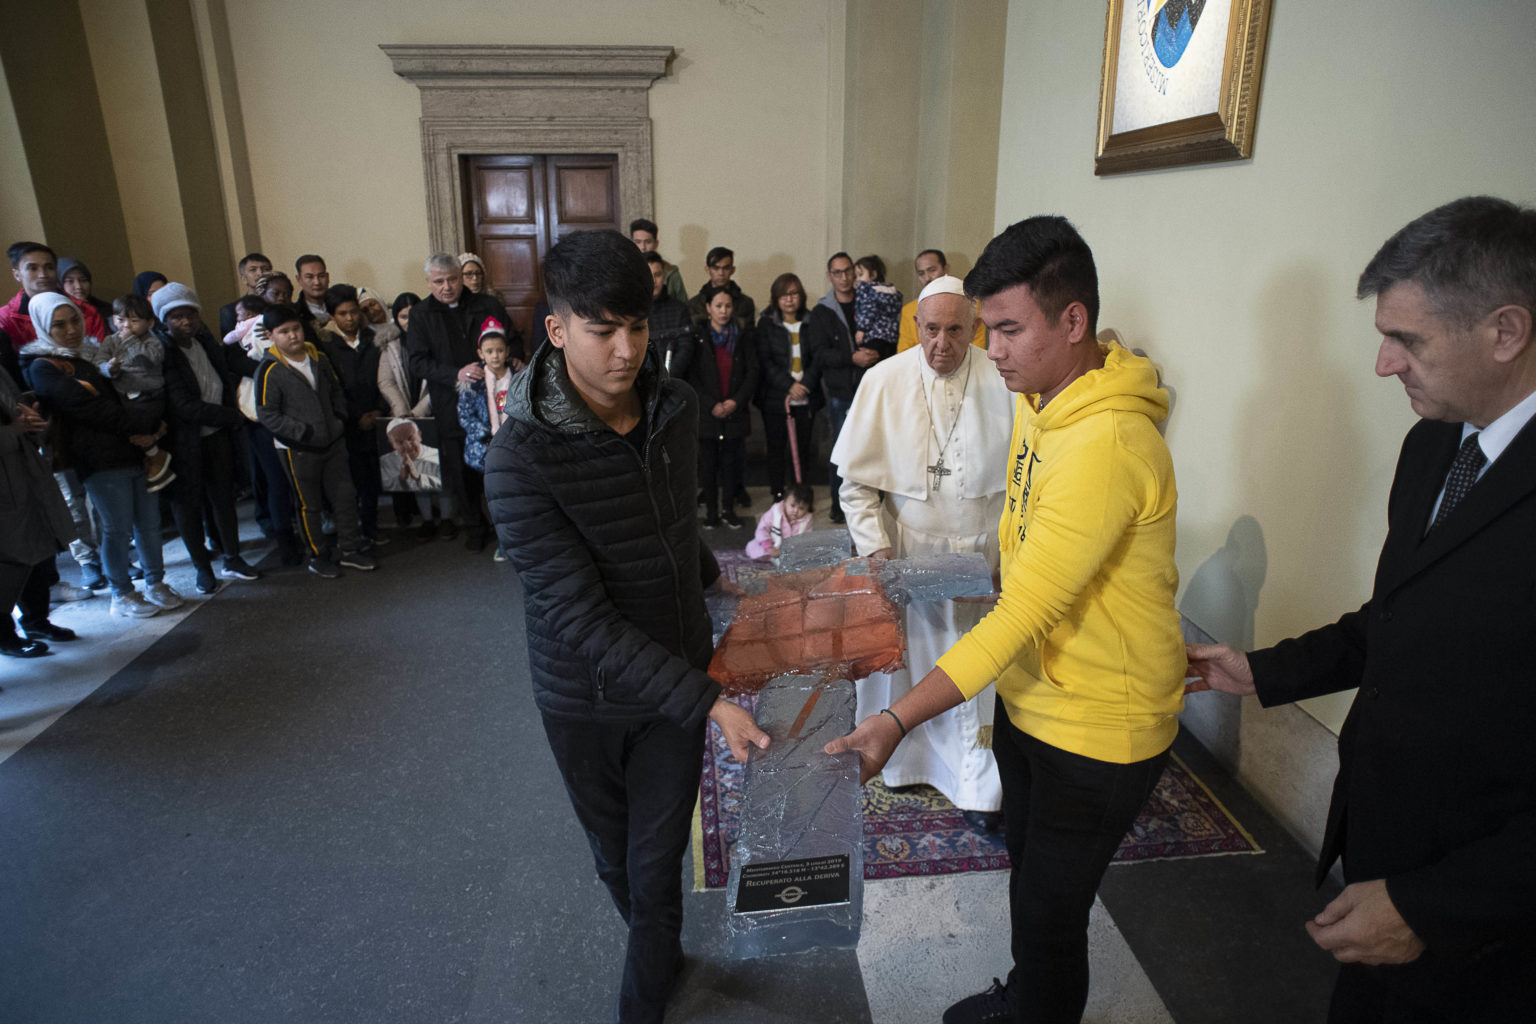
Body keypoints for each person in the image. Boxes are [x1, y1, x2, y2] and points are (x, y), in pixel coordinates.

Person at [1186, 196, 1536, 1022]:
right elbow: (1399, 616)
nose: (1383, 365)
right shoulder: (1434, 444)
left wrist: (1431, 907)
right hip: (1385, 859)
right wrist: (1260, 670)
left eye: (1408, 340)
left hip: (1487, 916)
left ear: (1506, 331)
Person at [827, 217, 1183, 1024]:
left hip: (1096, 726)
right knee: (1031, 887)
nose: (991, 352)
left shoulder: (1104, 443)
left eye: (1008, 330)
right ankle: (1026, 997)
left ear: (1073, 321)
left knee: (1053, 916)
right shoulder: (1046, 395)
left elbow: (1023, 609)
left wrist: (894, 719)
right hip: (1039, 698)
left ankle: (1038, 1006)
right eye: (985, 329)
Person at [484, 228, 766, 1024]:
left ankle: (643, 997)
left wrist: (720, 580)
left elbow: (673, 523)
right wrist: (711, 702)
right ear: (557, 329)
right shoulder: (520, 458)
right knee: (615, 863)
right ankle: (659, 949)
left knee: (653, 868)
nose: (625, 350)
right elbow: (577, 616)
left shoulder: (673, 408)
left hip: (674, 684)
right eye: (602, 330)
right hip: (584, 697)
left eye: (638, 327)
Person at [831, 274, 1014, 832]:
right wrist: (878, 551)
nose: (941, 344)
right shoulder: (884, 379)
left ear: (974, 328)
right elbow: (856, 487)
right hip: (909, 556)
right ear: (916, 325)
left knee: (977, 673)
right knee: (913, 667)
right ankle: (906, 763)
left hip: (985, 559)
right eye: (931, 330)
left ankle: (978, 786)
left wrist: (1012, 559)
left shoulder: (1004, 378)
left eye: (955, 331)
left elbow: (1024, 481)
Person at [20, 293, 178, 618]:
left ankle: (156, 582)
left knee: (149, 524)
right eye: (59, 325)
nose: (71, 330)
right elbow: (90, 409)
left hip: (131, 448)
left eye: (74, 321)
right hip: (97, 458)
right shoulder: (43, 367)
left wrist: (147, 429)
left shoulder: (89, 357)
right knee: (116, 528)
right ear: (43, 327)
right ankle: (122, 593)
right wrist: (147, 423)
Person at [153, 283, 263, 593]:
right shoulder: (163, 350)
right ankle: (202, 567)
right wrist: (233, 416)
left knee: (223, 499)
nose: (186, 321)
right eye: (177, 316)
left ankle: (232, 557)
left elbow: (224, 375)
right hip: (184, 441)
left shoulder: (204, 340)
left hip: (217, 436)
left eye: (191, 314)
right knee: (187, 506)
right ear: (165, 320)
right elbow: (183, 406)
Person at [254, 304, 376, 579]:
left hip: (333, 442)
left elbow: (335, 391)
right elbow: (267, 414)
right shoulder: (269, 370)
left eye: (296, 329)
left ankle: (350, 548)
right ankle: (317, 555)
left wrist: (339, 419)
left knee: (345, 496)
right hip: (298, 449)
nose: (292, 336)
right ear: (271, 335)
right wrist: (302, 432)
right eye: (284, 332)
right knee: (309, 504)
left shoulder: (318, 357)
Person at [404, 253, 516, 550]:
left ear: (461, 277)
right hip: (450, 403)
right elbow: (417, 362)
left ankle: (507, 527)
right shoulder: (420, 314)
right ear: (428, 282)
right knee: (460, 471)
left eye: (452, 279)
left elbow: (513, 340)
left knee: (500, 466)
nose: (446, 287)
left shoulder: (487, 305)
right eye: (438, 281)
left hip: (494, 402)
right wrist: (455, 373)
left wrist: (509, 362)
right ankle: (475, 528)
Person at [803, 251, 893, 523]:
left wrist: (877, 352)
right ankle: (839, 506)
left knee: (874, 449)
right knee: (842, 451)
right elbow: (819, 353)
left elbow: (889, 335)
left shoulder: (870, 300)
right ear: (830, 276)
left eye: (848, 271)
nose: (844, 277)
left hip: (872, 388)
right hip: (840, 391)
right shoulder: (822, 312)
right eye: (838, 272)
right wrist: (851, 358)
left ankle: (872, 505)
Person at [1, 364, 77, 656]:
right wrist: (13, 431)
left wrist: (30, 418)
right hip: (6, 487)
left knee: (39, 553)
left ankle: (37, 621)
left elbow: (16, 405)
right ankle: (5, 636)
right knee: (9, 564)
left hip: (25, 477)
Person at [318, 284, 386, 547]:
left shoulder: (373, 339)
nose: (350, 319)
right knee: (351, 482)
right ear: (332, 316)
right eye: (342, 314)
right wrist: (355, 417)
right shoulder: (326, 345)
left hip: (376, 416)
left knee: (373, 480)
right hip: (347, 424)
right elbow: (331, 388)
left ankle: (371, 527)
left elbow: (386, 378)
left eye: (354, 312)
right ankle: (351, 534)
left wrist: (379, 410)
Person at [691, 284, 758, 528]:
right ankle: (711, 512)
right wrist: (711, 404)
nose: (723, 311)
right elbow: (693, 376)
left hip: (734, 411)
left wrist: (735, 402)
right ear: (708, 308)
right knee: (707, 466)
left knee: (731, 465)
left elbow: (753, 372)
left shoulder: (742, 336)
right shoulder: (698, 337)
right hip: (707, 412)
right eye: (718, 306)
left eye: (728, 306)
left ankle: (728, 510)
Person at [97, 293, 175, 491]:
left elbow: (151, 359)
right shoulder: (110, 341)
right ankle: (155, 459)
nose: (126, 326)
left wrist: (131, 341)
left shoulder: (152, 341)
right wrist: (109, 368)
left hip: (150, 396)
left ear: (149, 323)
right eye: (120, 320)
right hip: (125, 397)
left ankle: (156, 457)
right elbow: (98, 363)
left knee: (138, 428)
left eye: (134, 321)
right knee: (126, 429)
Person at [755, 272, 820, 502]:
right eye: (783, 295)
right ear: (775, 299)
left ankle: (799, 495)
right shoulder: (766, 323)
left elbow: (818, 356)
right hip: (776, 398)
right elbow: (765, 361)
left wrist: (805, 384)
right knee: (776, 448)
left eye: (793, 294)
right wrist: (789, 385)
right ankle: (778, 494)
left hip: (806, 396)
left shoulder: (812, 321)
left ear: (801, 296)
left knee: (802, 449)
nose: (789, 299)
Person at [457, 320, 515, 560]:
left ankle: (520, 542)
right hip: (487, 449)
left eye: (500, 350)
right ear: (480, 353)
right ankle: (504, 541)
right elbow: (464, 416)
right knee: (496, 499)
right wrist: (487, 433)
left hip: (516, 448)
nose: (495, 355)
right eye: (489, 351)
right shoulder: (473, 382)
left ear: (507, 351)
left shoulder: (519, 376)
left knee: (517, 498)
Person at [3, 242, 110, 350]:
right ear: (17, 274)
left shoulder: (85, 310)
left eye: (49, 267)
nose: (43, 275)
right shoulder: (6, 319)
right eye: (33, 268)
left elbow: (104, 354)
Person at [898, 249, 988, 353]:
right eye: (921, 273)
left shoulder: (972, 306)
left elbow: (977, 349)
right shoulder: (908, 311)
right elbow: (904, 353)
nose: (927, 278)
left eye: (932, 270)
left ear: (946, 268)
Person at [643, 252, 696, 385]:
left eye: (657, 275)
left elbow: (686, 348)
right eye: (648, 275)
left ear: (664, 276)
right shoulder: (633, 311)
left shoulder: (679, 309)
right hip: (641, 382)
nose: (654, 281)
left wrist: (666, 377)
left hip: (674, 382)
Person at [687, 246, 755, 330]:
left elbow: (750, 334)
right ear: (707, 270)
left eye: (726, 268)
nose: (721, 273)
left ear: (732, 270)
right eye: (716, 268)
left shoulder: (746, 303)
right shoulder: (694, 304)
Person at [745, 482, 814, 560]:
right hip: (772, 544)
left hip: (791, 550)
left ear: (808, 508)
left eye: (801, 508)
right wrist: (768, 547)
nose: (795, 511)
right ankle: (769, 555)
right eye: (792, 505)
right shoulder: (775, 512)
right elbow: (762, 529)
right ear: (785, 502)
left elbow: (806, 538)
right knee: (755, 548)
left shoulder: (806, 520)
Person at [629, 218, 688, 304]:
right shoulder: (625, 271)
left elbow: (684, 305)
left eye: (648, 242)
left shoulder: (670, 272)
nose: (643, 247)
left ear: (656, 244)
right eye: (638, 242)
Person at [379, 417, 442, 494]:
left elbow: (445, 486)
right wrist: (400, 479)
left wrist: (419, 478)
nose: (407, 446)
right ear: (392, 444)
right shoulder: (384, 462)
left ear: (419, 435)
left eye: (410, 438)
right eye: (400, 442)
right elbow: (384, 489)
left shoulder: (436, 455)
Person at [853, 254, 902, 351]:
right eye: (856, 276)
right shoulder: (891, 291)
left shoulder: (866, 289)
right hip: (892, 337)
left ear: (873, 275)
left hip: (873, 335)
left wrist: (861, 329)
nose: (857, 279)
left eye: (860, 274)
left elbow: (868, 311)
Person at [217, 252, 272, 336]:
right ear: (244, 279)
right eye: (253, 270)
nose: (260, 273)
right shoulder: (230, 310)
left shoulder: (280, 303)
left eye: (265, 269)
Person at [58, 258, 114, 326]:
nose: (78, 286)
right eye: (70, 281)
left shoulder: (106, 311)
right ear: (60, 284)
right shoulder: (57, 314)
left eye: (83, 280)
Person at [293, 255, 331, 337]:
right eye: (309, 277)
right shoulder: (293, 313)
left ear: (328, 277)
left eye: (321, 276)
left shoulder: (341, 304)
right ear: (299, 279)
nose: (317, 282)